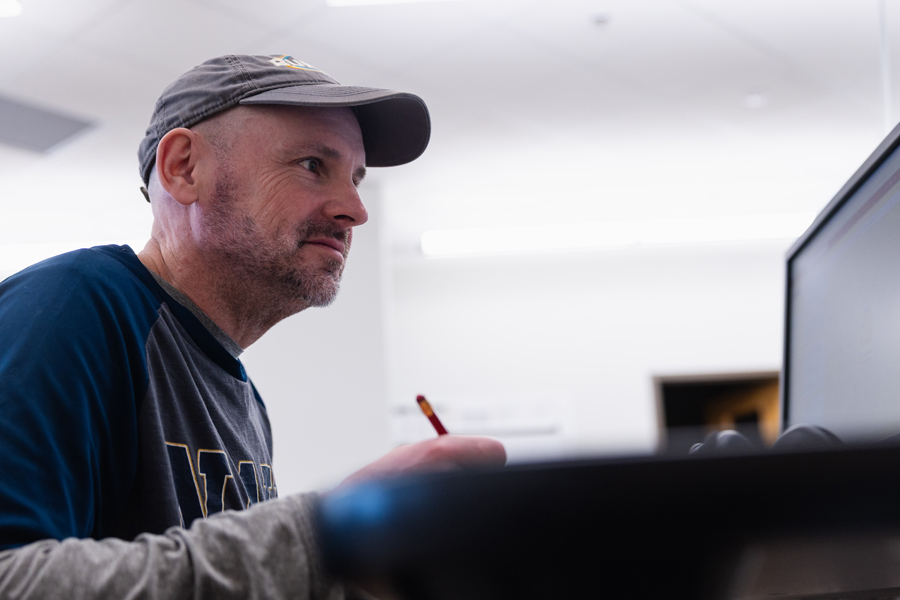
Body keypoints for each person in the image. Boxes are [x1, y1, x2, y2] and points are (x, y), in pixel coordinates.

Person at [0, 54, 505, 598]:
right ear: (183, 168)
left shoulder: (244, 399)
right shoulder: (70, 308)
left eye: (356, 178)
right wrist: (328, 534)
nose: (356, 209)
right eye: (312, 164)